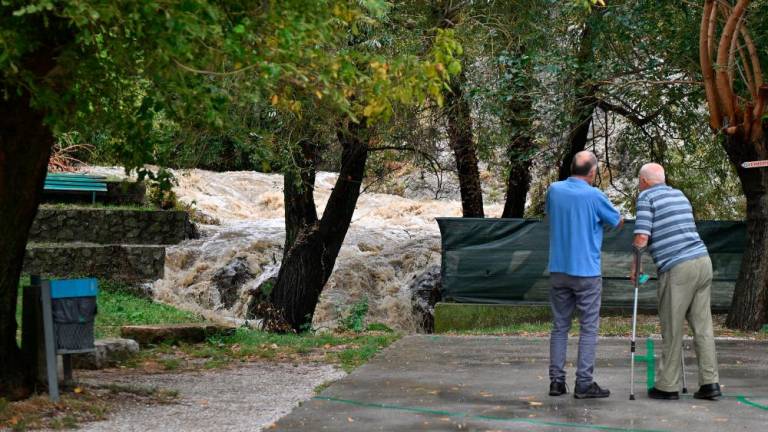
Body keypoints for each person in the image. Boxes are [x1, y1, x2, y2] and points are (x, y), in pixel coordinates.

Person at [631, 163, 721, 401]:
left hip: (678, 268)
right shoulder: (679, 194)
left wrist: (635, 268)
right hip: (702, 261)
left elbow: (641, 237)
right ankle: (710, 383)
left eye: (639, 181)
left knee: (672, 328)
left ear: (644, 181)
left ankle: (667, 386)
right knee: (703, 327)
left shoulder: (646, 198)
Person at [546, 151, 623, 399]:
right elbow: (617, 221)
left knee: (559, 327)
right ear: (592, 172)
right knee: (588, 328)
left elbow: (551, 215)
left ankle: (557, 382)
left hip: (558, 268)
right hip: (587, 272)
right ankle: (584, 383)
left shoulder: (554, 190)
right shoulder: (595, 195)